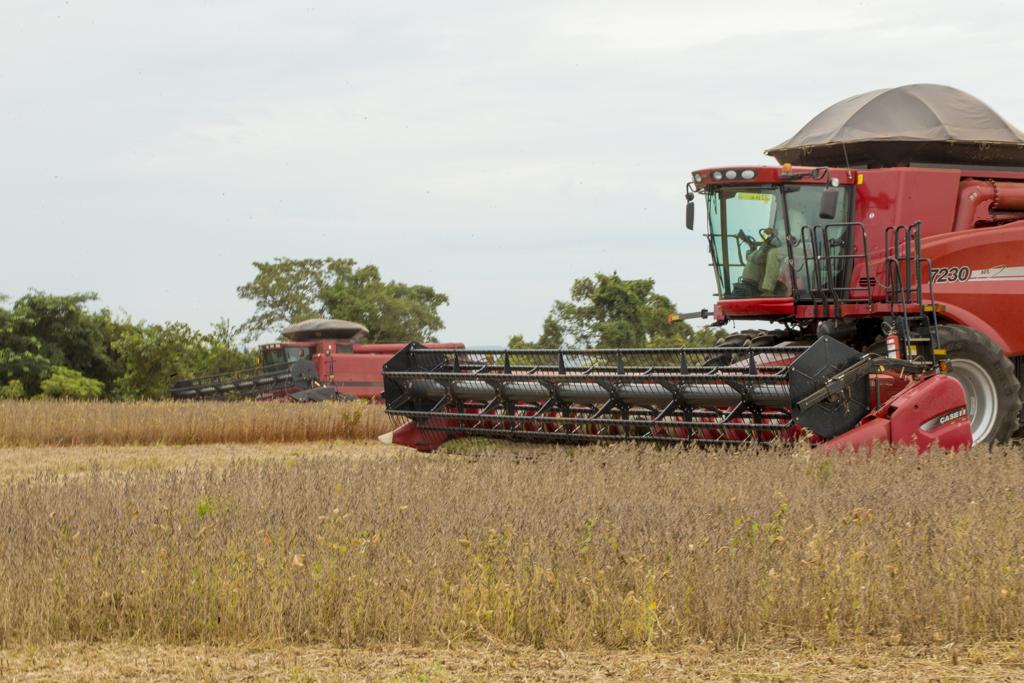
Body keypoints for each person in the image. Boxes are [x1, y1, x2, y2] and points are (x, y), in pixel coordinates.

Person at [732, 227, 787, 297]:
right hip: (749, 285)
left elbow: (758, 258)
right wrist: (752, 247)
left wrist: (775, 233)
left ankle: (768, 290)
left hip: (756, 286)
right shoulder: (764, 249)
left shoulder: (775, 250)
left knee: (772, 253)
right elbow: (753, 257)